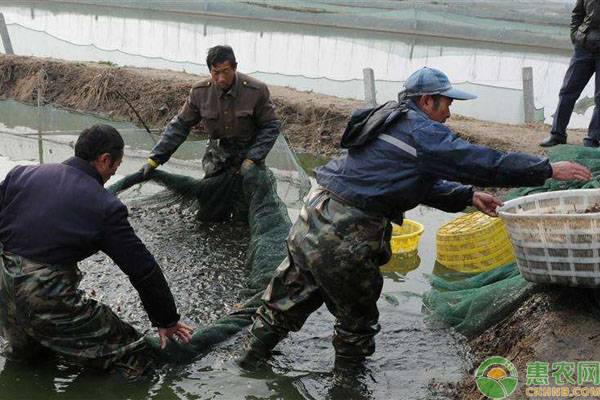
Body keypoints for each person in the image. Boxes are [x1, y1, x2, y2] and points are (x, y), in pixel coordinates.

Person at [240, 67, 592, 369]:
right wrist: (545, 167)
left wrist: (467, 195)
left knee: (283, 304)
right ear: (427, 101)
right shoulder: (421, 131)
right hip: (345, 230)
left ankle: (245, 366)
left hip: (312, 216)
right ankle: (347, 386)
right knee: (356, 323)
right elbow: (478, 161)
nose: (449, 113)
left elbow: (402, 181)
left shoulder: (385, 120)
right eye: (447, 103)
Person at [0, 125, 192, 378]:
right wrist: (166, 320)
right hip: (45, 295)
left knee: (28, 361)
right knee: (133, 355)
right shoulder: (105, 206)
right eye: (115, 166)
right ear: (104, 160)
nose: (113, 175)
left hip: (2, 287)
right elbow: (142, 269)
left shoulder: (22, 174)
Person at [139, 45, 281, 222]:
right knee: (210, 204)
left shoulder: (256, 90)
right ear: (210, 71)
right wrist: (154, 159)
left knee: (243, 211)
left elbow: (271, 126)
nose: (221, 78)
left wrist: (253, 158)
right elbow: (180, 126)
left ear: (235, 67)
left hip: (248, 156)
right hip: (217, 156)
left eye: (226, 71)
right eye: (215, 73)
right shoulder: (200, 92)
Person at [540, 0, 600, 148]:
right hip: (584, 47)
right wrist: (576, 36)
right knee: (567, 91)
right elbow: (577, 13)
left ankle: (592, 140)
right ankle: (557, 134)